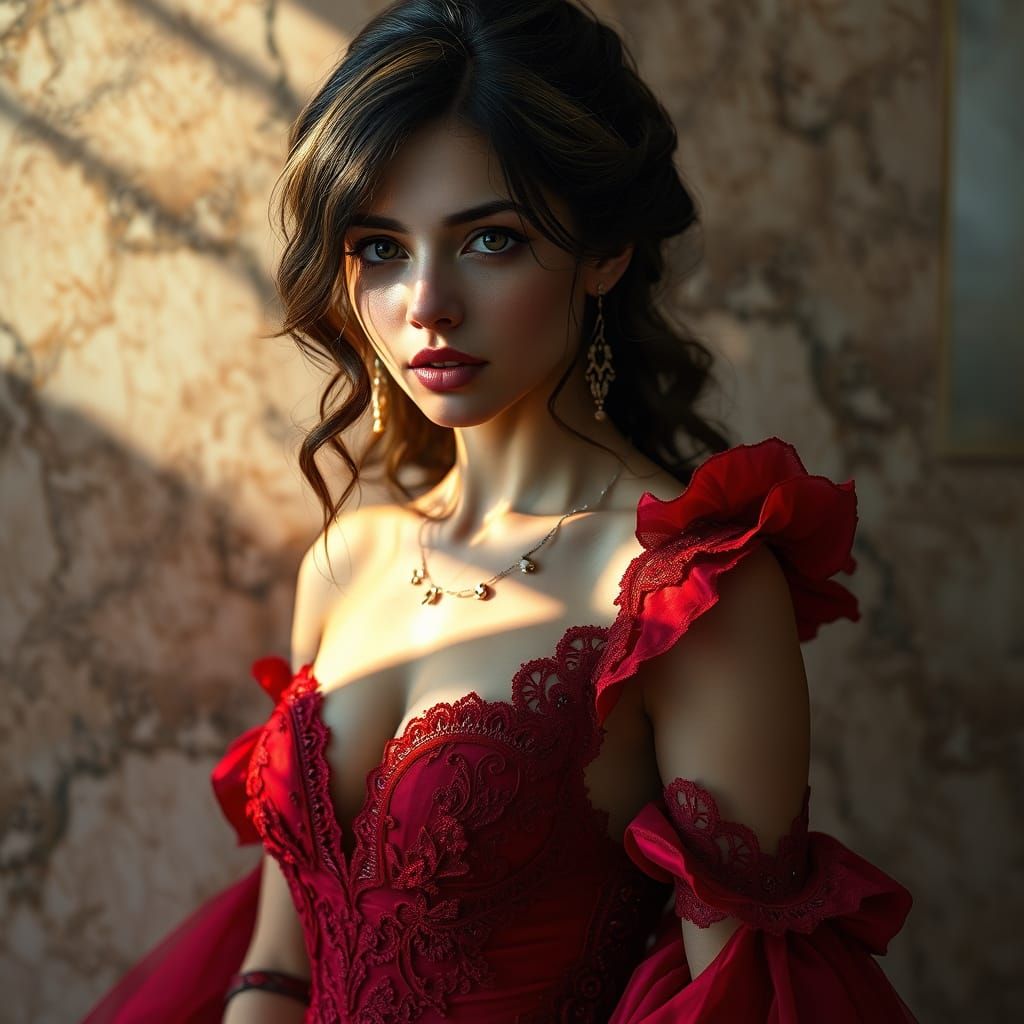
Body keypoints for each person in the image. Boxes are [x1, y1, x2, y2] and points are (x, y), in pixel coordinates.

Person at [83, 1, 917, 1021]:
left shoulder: (692, 592)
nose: (425, 303)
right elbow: (277, 966)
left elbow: (738, 995)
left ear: (604, 250)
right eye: (380, 248)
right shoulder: (346, 559)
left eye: (489, 238)